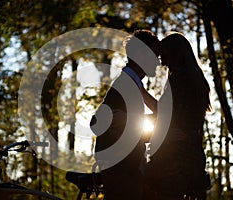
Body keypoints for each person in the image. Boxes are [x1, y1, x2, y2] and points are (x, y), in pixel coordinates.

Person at [90, 29, 160, 199]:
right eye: (153, 56)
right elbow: (96, 123)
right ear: (138, 55)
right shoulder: (125, 86)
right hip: (123, 174)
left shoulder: (132, 85)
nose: (157, 64)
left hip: (126, 172)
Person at [142, 32, 211, 199]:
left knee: (135, 180)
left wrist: (139, 90)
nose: (162, 62)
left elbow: (162, 113)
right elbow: (174, 117)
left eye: (164, 56)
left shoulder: (180, 80)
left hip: (176, 161)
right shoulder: (197, 80)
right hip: (192, 157)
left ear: (175, 54)